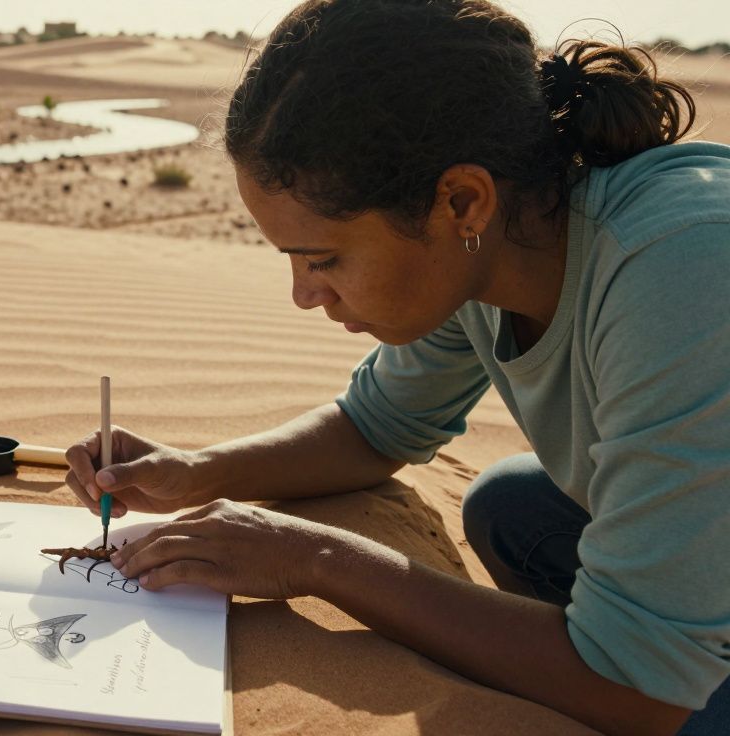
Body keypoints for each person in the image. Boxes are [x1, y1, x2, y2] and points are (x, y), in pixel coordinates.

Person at [63, 1, 730, 734]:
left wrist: (314, 557)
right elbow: (375, 429)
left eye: (324, 260)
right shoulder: (496, 243)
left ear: (460, 200)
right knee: (511, 507)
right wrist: (198, 472)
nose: (304, 295)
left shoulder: (682, 271)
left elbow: (638, 688)